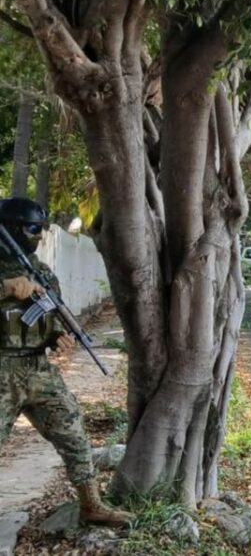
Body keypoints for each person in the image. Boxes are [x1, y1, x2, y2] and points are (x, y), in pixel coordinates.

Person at [0, 197, 132, 526]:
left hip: (36, 369)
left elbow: (49, 317)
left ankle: (91, 505)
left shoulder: (41, 273)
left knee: (73, 430)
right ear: (13, 229)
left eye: (41, 230)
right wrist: (5, 288)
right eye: (33, 229)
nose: (39, 236)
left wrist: (57, 337)